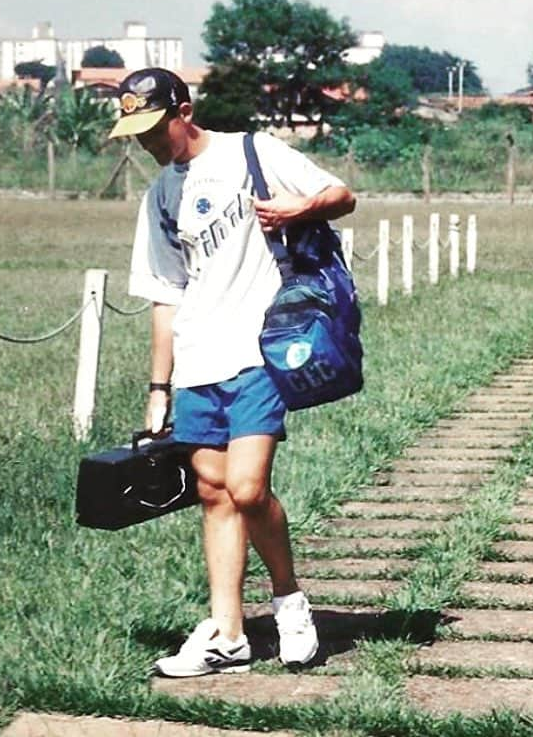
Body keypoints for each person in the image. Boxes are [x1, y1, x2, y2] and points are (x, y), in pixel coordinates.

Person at [110, 68, 356, 678]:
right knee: (214, 494)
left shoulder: (254, 152)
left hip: (260, 352)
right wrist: (158, 390)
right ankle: (227, 635)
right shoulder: (160, 195)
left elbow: (343, 195)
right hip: (198, 361)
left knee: (247, 488)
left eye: (153, 126)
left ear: (183, 111)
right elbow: (165, 296)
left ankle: (290, 601)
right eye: (134, 132)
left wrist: (300, 207)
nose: (147, 142)